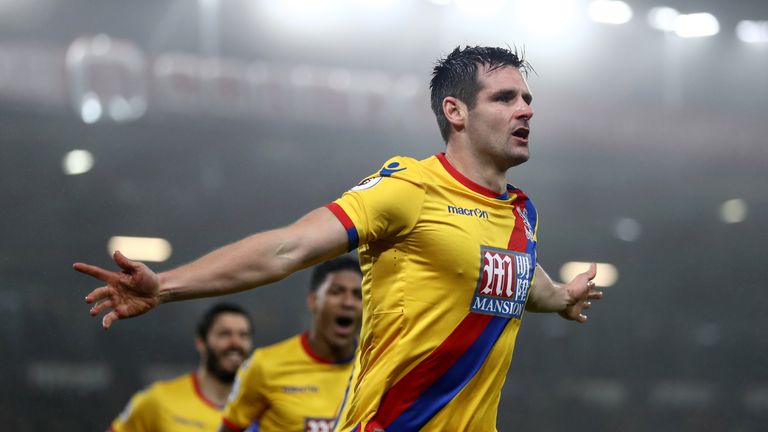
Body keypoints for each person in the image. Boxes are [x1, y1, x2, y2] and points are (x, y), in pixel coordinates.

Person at [76, 45, 603, 431]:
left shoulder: (521, 214)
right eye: (506, 97)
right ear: (455, 112)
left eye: (528, 98)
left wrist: (559, 298)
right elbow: (288, 247)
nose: (526, 109)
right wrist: (164, 285)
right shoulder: (410, 188)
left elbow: (515, 275)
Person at [220, 256, 363, 432]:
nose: (348, 303)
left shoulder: (375, 367)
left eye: (358, 295)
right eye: (336, 292)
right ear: (313, 301)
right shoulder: (265, 365)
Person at [108, 303, 254, 432]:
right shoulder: (158, 400)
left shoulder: (263, 407)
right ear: (201, 342)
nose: (235, 343)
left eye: (243, 335)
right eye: (224, 334)